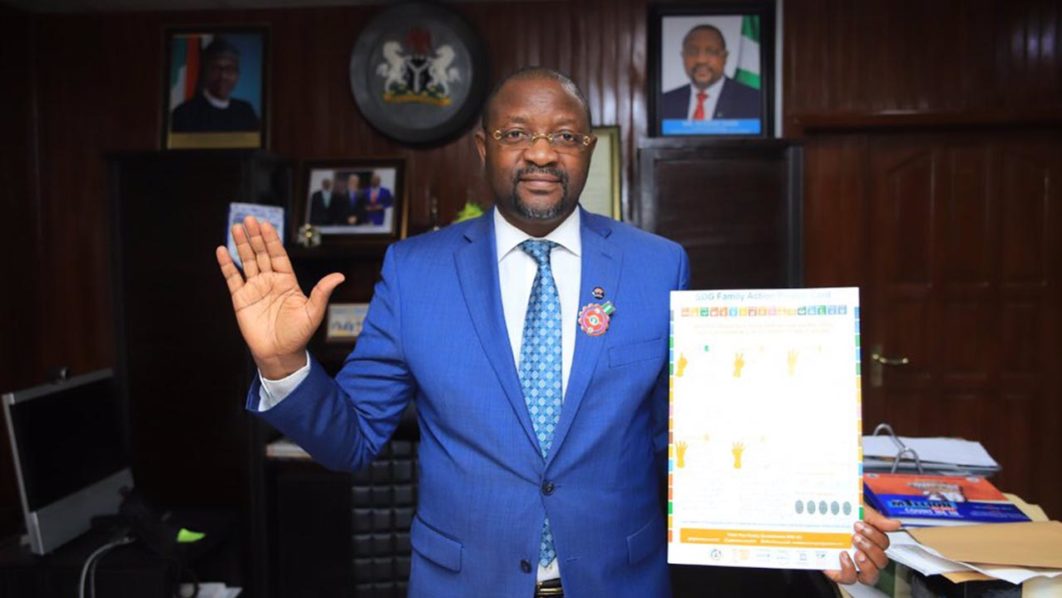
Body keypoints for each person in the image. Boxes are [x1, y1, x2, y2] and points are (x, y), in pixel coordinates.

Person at [216, 67, 896, 597]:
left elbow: (696, 439)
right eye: (516, 134)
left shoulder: (657, 265)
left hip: (619, 582)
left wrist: (809, 524)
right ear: (483, 147)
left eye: (565, 136)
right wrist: (283, 364)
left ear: (587, 149)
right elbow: (352, 441)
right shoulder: (415, 272)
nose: (542, 153)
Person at [660, 24, 762, 121]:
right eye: (692, 52)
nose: (701, 60)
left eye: (711, 52)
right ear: (683, 57)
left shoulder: (753, 101)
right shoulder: (664, 102)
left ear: (724, 57)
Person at [171, 37, 260, 133]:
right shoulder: (184, 113)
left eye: (229, 69)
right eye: (216, 69)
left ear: (237, 75)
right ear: (204, 72)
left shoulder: (246, 111)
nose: (223, 76)